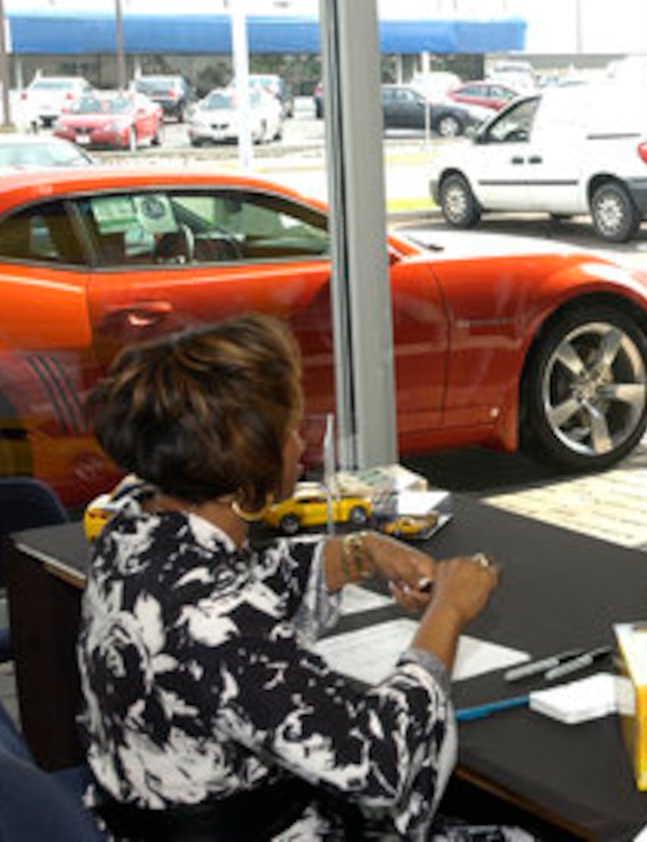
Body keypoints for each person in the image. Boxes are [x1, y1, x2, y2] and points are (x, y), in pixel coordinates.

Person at [77, 313, 500, 839]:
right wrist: (448, 614)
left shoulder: (128, 527)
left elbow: (233, 582)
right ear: (247, 467)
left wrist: (356, 554)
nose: (300, 446)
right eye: (290, 432)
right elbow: (373, 764)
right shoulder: (219, 618)